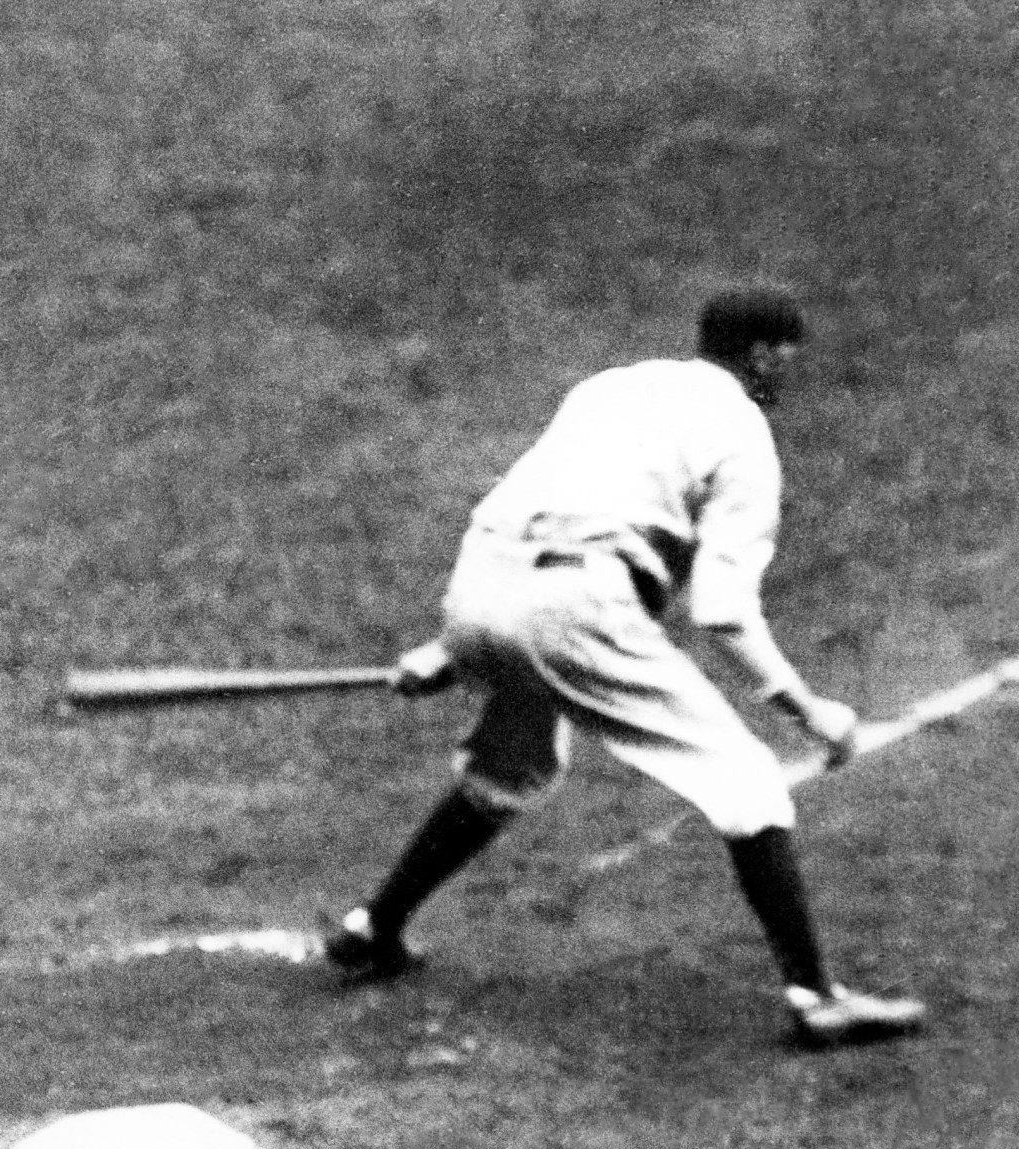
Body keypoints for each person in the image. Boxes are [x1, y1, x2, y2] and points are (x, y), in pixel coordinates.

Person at [322, 290, 925, 1048]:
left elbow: (526, 501)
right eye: (787, 360)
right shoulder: (743, 433)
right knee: (747, 781)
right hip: (577, 603)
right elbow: (723, 609)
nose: (788, 375)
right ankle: (816, 996)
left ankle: (374, 926)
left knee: (514, 763)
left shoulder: (610, 386)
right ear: (765, 353)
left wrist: (455, 641)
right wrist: (810, 709)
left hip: (482, 576)